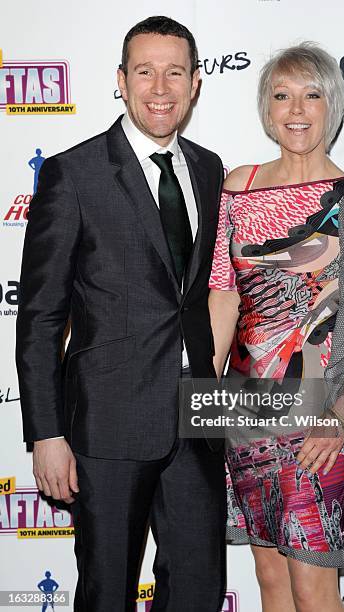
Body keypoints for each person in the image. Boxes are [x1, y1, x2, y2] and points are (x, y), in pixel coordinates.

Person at [16, 16, 226, 612]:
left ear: (195, 83)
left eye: (175, 72)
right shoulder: (73, 173)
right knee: (107, 593)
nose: (160, 88)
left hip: (198, 419)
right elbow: (41, 316)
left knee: (196, 593)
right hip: (107, 424)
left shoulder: (210, 170)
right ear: (120, 80)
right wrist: (46, 432)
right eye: (145, 72)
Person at [208, 42, 344, 612]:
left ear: (334, 106)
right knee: (270, 579)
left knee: (313, 585)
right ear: (265, 108)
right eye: (281, 95)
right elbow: (225, 299)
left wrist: (340, 417)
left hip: (319, 419)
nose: (295, 108)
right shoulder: (238, 187)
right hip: (245, 413)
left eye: (311, 94)